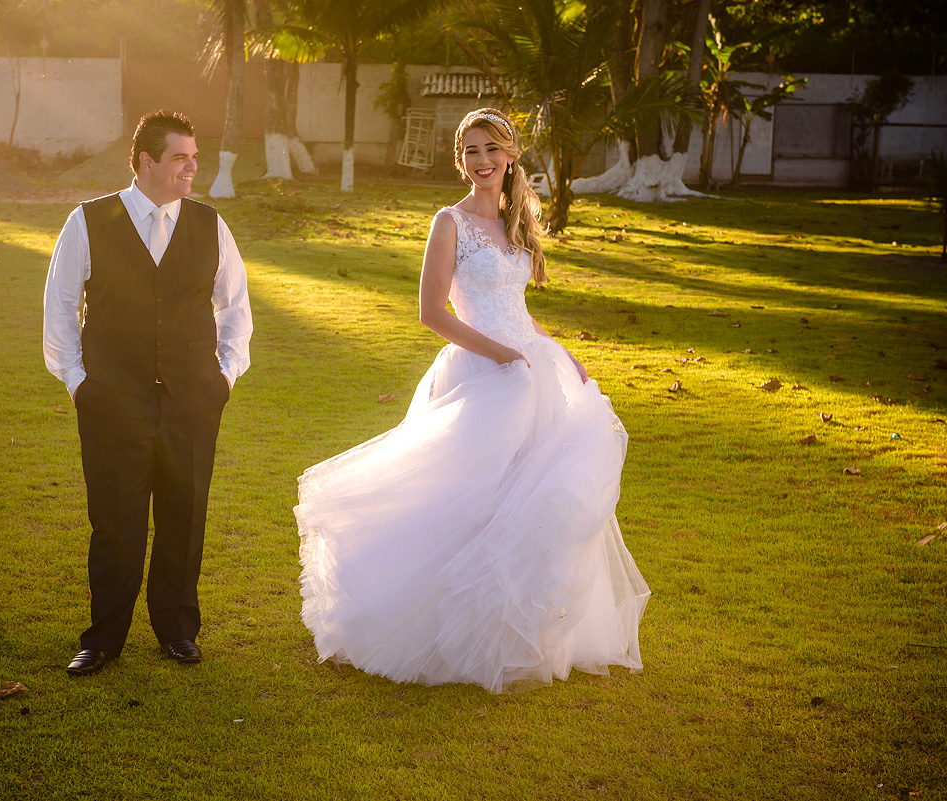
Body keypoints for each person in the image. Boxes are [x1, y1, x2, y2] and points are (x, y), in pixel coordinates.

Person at [295, 108, 649, 693]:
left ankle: (515, 630)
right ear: (460, 161)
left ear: (510, 156)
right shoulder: (448, 222)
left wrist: (558, 351)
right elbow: (432, 313)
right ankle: (435, 626)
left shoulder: (516, 222)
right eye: (471, 151)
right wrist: (500, 354)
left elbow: (517, 308)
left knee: (531, 499)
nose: (482, 161)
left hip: (530, 368)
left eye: (492, 150)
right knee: (467, 498)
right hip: (482, 371)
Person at [43, 110, 252, 676]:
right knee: (116, 522)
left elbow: (235, 306)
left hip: (193, 398)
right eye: (180, 158)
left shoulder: (210, 225)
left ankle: (178, 631)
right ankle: (103, 638)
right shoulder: (88, 221)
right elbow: (60, 307)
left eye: (194, 158)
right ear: (146, 162)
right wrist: (78, 382)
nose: (192, 168)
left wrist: (225, 376)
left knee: (185, 517)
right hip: (112, 399)